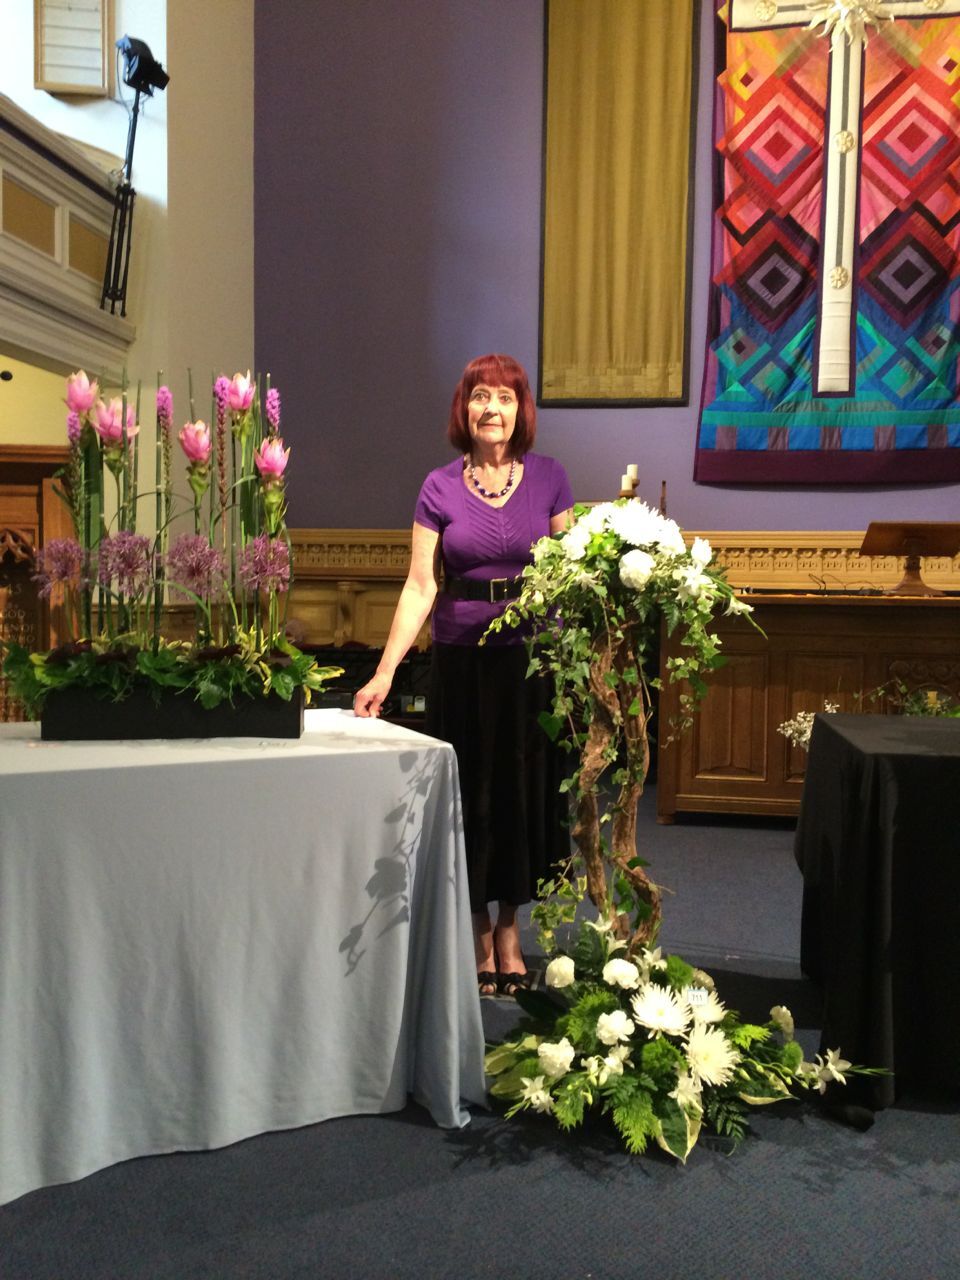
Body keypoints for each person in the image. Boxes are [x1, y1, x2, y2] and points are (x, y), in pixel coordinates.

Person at [354, 353, 573, 997]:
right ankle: (477, 930)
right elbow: (421, 584)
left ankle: (511, 930)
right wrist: (385, 673)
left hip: (530, 660)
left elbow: (568, 579)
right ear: (465, 408)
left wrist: (580, 661)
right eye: (481, 395)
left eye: (505, 397)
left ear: (520, 410)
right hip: (462, 659)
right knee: (469, 793)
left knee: (521, 793)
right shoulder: (438, 487)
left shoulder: (552, 478)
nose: (492, 409)